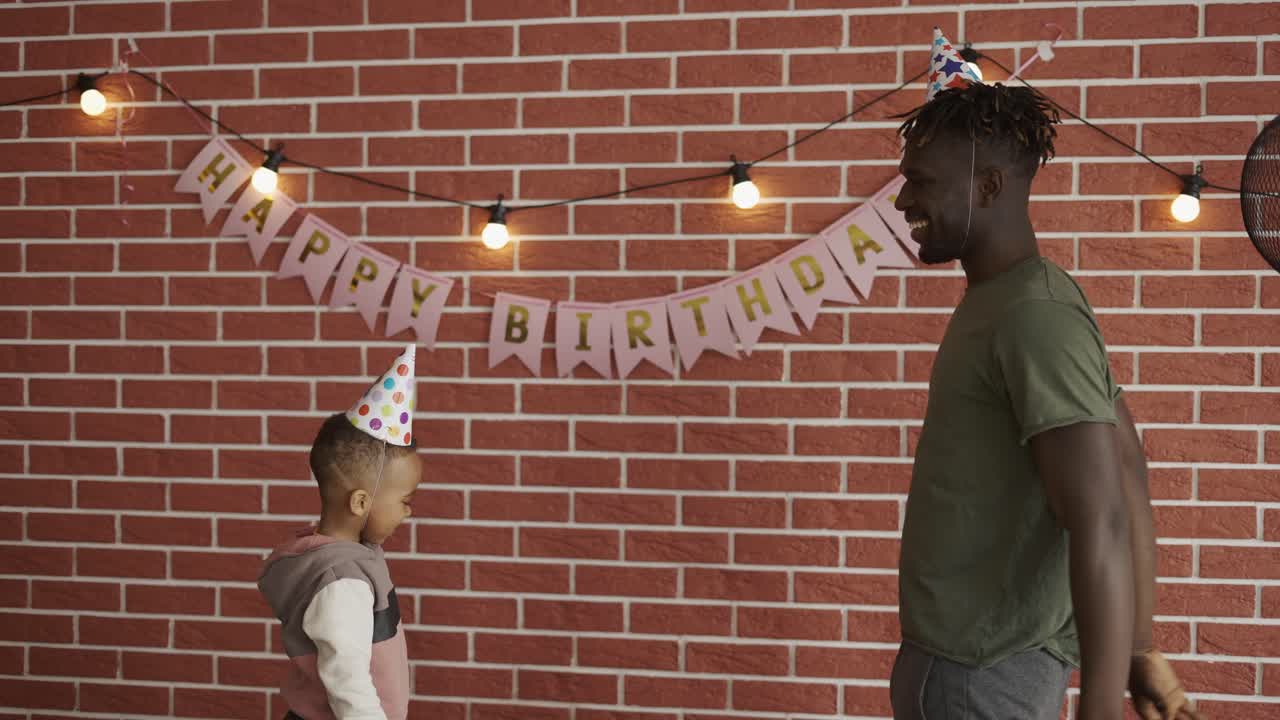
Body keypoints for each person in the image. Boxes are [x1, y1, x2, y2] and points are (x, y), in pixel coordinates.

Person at [887, 76, 1202, 719]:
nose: (901, 201)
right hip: (967, 671)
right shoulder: (1015, 300)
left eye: (921, 181)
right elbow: (1128, 465)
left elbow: (1105, 517)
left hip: (984, 679)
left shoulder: (1036, 315)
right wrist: (1138, 651)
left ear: (990, 187)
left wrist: (1101, 710)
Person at [258, 345, 421, 720]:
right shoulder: (340, 582)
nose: (408, 512)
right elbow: (348, 683)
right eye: (405, 500)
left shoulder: (340, 557)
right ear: (361, 503)